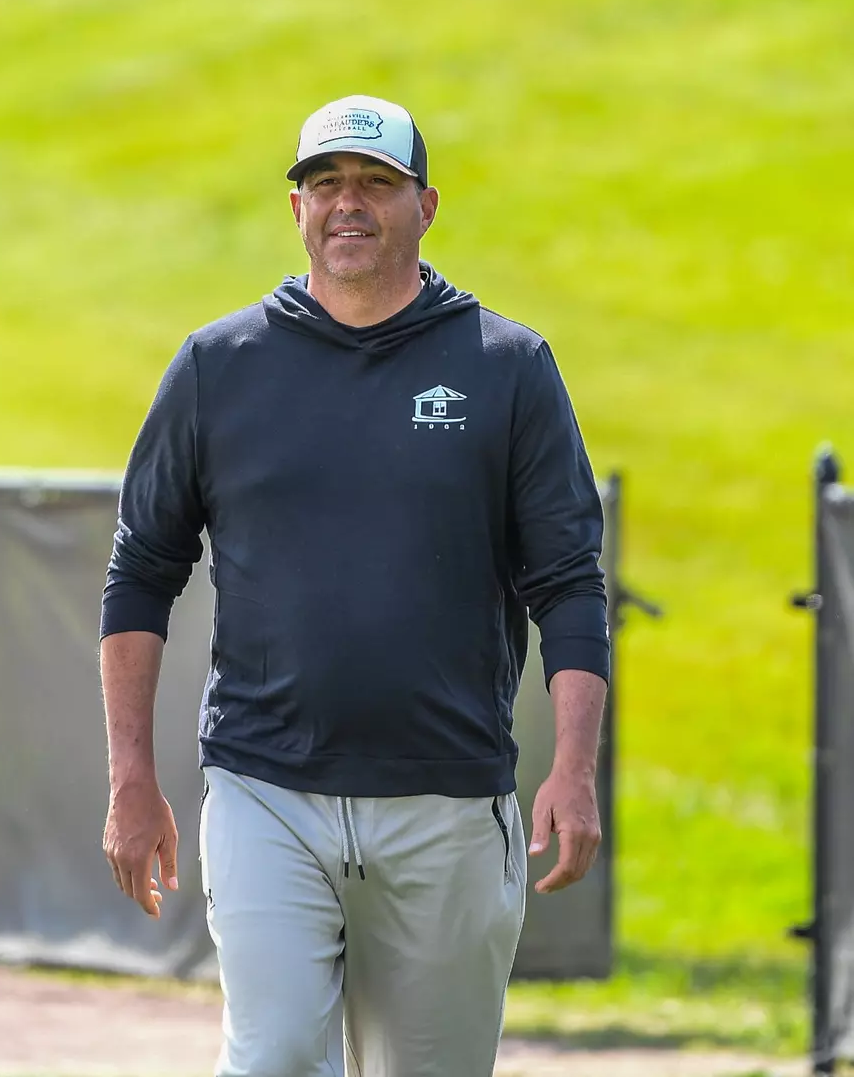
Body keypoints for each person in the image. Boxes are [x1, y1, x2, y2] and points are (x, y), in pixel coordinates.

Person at [98, 94, 611, 1077]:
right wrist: (128, 777)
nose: (347, 203)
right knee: (274, 1053)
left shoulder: (506, 366)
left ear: (424, 204)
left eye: (374, 183)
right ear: (293, 208)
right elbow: (139, 571)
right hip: (264, 790)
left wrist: (574, 770)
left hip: (447, 800)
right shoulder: (217, 365)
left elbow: (568, 586)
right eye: (323, 183)